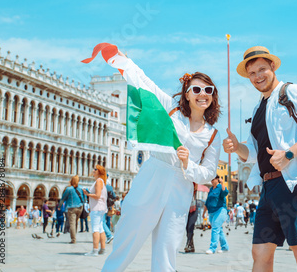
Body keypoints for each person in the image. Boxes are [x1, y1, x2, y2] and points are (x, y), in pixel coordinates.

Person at [98, 47, 221, 272]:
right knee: (128, 235)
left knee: (168, 247)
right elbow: (146, 84)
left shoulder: (213, 134)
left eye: (208, 90)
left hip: (181, 188)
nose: (202, 94)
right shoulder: (171, 110)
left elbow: (209, 172)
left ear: (212, 95)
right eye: (196, 89)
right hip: (153, 175)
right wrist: (125, 62)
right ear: (187, 93)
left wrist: (188, 164)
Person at [223, 46, 297, 272]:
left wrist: (290, 153)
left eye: (262, 69)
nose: (257, 77)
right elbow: (254, 153)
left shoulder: (292, 92)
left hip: (296, 182)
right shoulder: (258, 107)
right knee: (260, 251)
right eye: (252, 73)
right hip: (269, 185)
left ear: (273, 67)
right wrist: (237, 148)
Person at [83, 164, 108, 256]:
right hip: (100, 208)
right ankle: (102, 249)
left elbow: (97, 196)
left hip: (96, 208)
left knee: (95, 228)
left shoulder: (98, 181)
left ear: (99, 172)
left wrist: (87, 194)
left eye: (95, 169)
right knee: (101, 228)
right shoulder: (101, 181)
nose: (93, 170)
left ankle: (95, 250)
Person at [203, 175, 229, 254]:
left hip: (220, 210)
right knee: (219, 230)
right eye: (210, 179)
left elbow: (225, 193)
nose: (211, 181)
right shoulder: (211, 189)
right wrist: (204, 212)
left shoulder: (221, 187)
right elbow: (207, 201)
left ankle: (212, 248)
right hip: (211, 212)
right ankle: (225, 247)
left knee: (215, 229)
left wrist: (222, 183)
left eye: (213, 179)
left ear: (217, 179)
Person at [59, 175, 86, 244]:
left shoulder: (69, 189)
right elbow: (85, 198)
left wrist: (59, 206)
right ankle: (74, 237)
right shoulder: (82, 188)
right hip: (80, 207)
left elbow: (63, 198)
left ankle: (73, 239)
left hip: (71, 208)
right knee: (76, 222)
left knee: (72, 224)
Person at [184, 186, 199, 253]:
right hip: (186, 210)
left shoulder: (194, 188)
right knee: (187, 228)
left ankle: (187, 244)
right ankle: (192, 247)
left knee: (190, 227)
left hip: (194, 209)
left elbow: (195, 186)